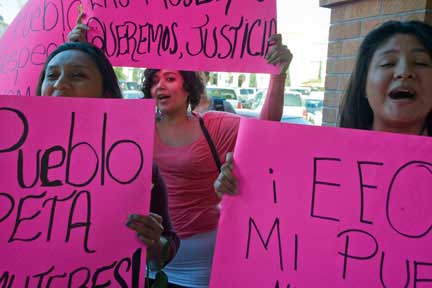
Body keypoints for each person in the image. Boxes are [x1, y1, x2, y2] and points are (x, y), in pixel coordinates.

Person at [215, 20, 432, 199]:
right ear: (364, 85)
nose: (404, 72)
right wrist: (240, 188)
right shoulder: (321, 161)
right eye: (388, 63)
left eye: (421, 62)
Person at [140, 34, 291, 287]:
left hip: (200, 262)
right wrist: (82, 46)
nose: (160, 86)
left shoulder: (215, 126)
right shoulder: (136, 127)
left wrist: (278, 75)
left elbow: (265, 131)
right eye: (155, 80)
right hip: (146, 255)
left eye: (169, 78)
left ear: (188, 86)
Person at [35, 41, 180, 273]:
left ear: (106, 93)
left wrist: (153, 243)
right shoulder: (10, 161)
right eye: (51, 75)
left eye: (77, 75)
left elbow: (164, 251)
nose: (59, 84)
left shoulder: (136, 167)